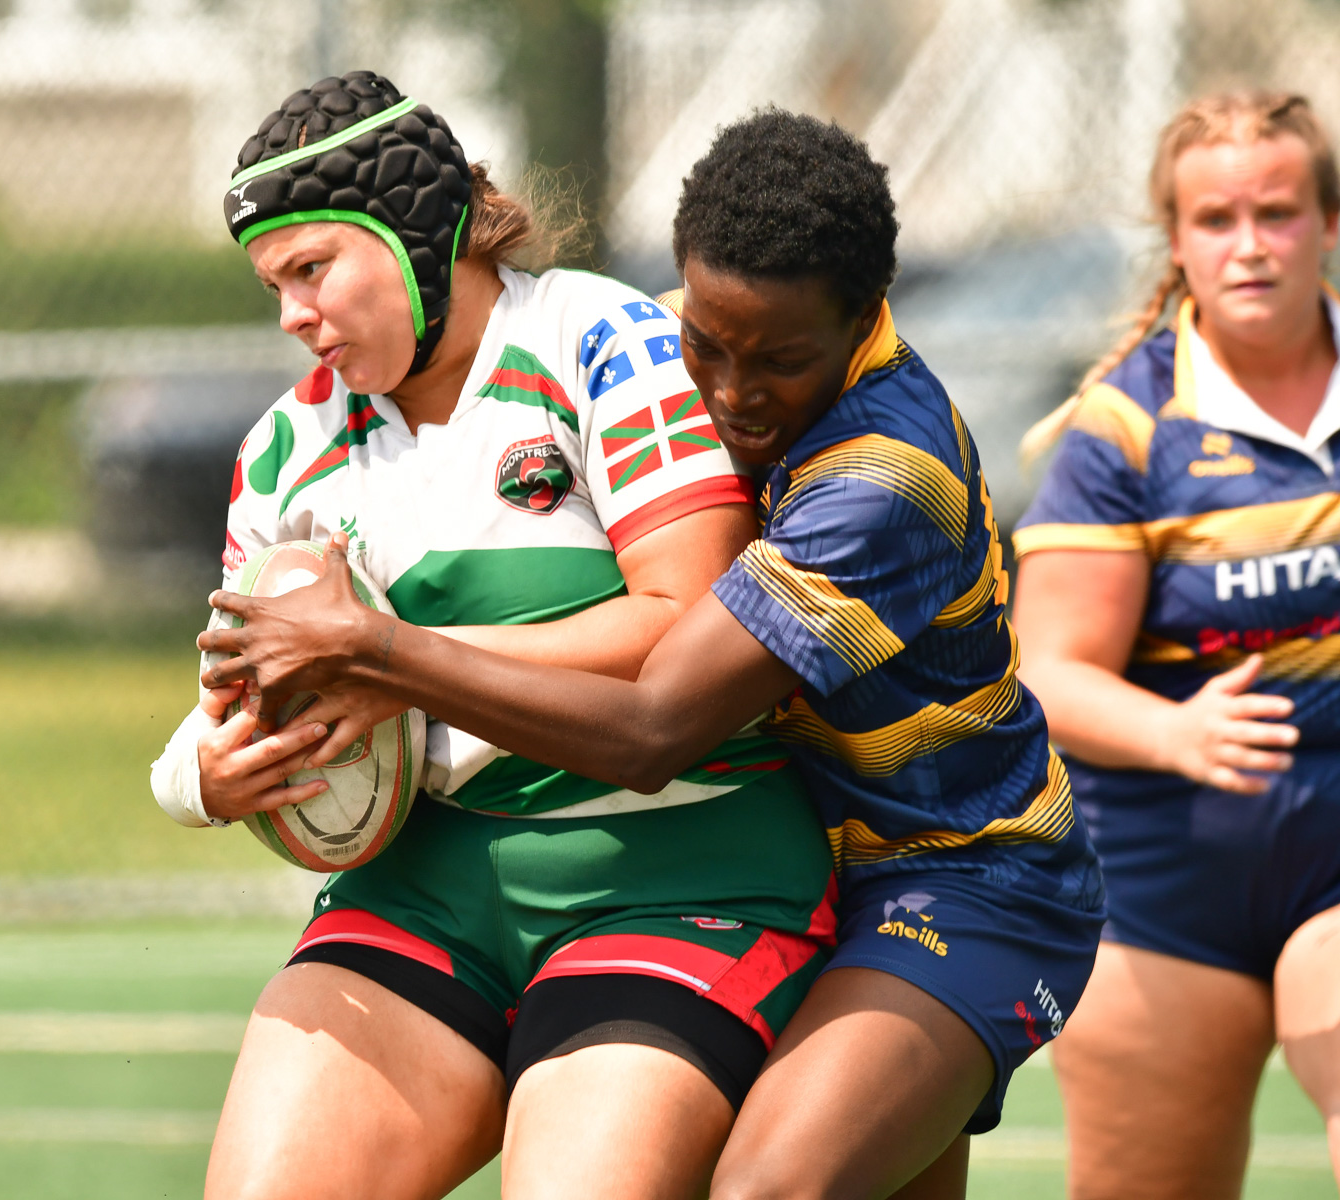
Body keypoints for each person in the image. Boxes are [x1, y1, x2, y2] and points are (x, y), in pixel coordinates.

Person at [202, 109, 1105, 1199]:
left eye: (779, 361)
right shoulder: (648, 340)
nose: (728, 394)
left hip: (955, 872)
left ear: (865, 316)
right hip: (818, 836)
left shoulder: (882, 479)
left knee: (771, 1188)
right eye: (707, 345)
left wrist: (383, 652)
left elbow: (655, 729)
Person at [150, 72, 840, 1200]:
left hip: (674, 874)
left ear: (424, 233)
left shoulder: (602, 341)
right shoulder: (286, 446)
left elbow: (687, 624)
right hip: (424, 888)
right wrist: (206, 774)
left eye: (313, 270)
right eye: (273, 286)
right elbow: (249, 690)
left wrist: (394, 667)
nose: (291, 315)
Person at [1011, 91, 1340, 1199]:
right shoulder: (1127, 430)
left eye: (1280, 212)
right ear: (1178, 239)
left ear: (1331, 222)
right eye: (1216, 220)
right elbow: (1046, 671)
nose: (1250, 246)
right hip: (1162, 909)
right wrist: (1175, 729)